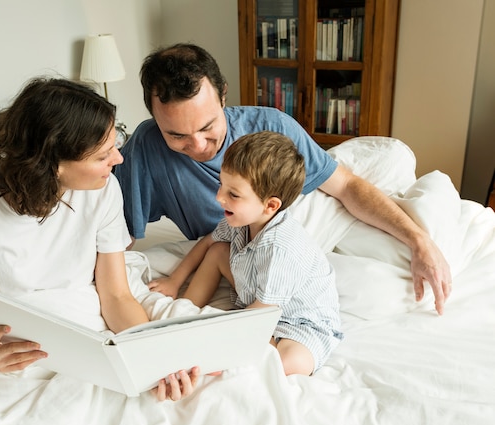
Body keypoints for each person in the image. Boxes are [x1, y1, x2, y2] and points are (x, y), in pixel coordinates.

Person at [114, 42, 452, 315]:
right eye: (177, 136)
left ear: (223, 96)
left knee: (406, 232)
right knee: (377, 290)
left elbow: (345, 187)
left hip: (304, 215)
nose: (198, 146)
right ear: (155, 119)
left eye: (207, 127)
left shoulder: (271, 126)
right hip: (244, 247)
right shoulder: (145, 148)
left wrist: (419, 241)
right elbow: (117, 237)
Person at [0, 77, 197, 401]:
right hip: (22, 342)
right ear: (52, 165)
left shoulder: (103, 190)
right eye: (102, 155)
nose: (118, 159)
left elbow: (115, 295)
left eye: (116, 142)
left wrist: (148, 360)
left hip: (90, 322)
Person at [149, 132, 343, 375]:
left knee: (292, 362)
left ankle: (225, 355)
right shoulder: (240, 220)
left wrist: (218, 339)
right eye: (222, 185)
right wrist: (174, 281)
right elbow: (208, 243)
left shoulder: (281, 249)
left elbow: (263, 313)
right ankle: (188, 312)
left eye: (233, 194)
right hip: (258, 296)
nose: (219, 198)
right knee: (218, 250)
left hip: (299, 321)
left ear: (270, 206)